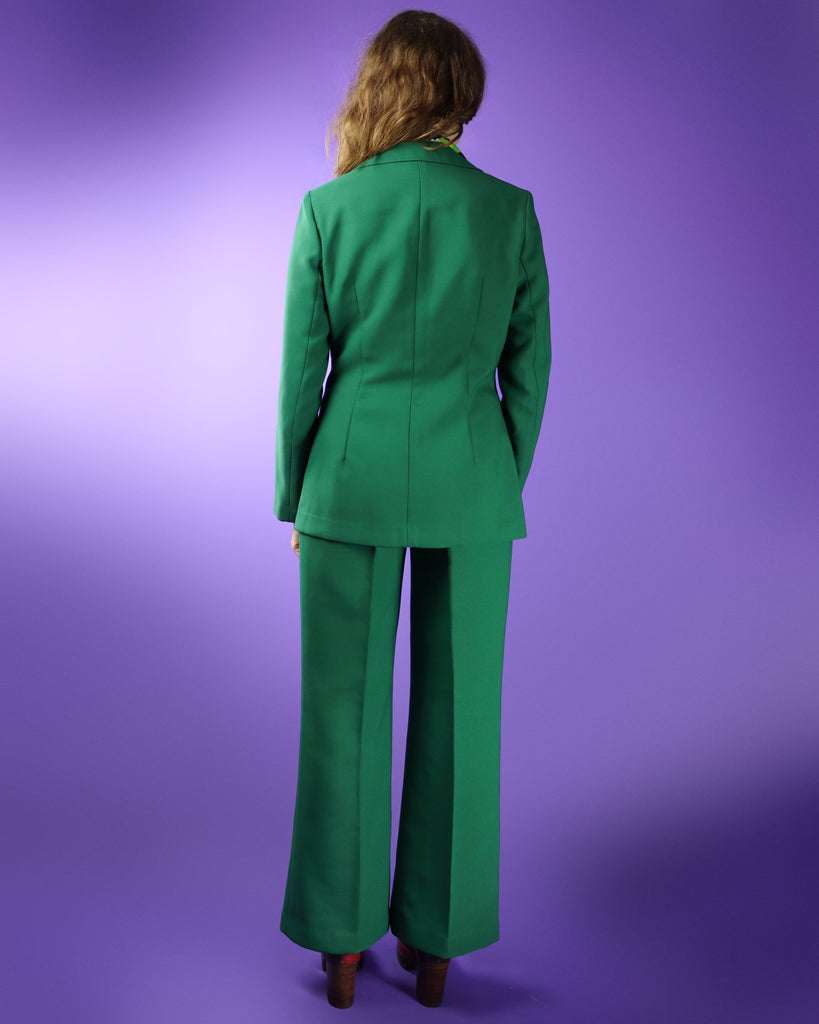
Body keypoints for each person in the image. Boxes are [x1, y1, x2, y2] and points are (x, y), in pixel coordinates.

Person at [274, 9, 552, 1010]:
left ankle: (342, 945)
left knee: (340, 715)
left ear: (382, 85)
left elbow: (301, 374)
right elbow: (530, 370)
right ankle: (436, 947)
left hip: (347, 483)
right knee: (463, 717)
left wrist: (294, 497)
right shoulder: (510, 211)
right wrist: (495, 475)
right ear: (460, 92)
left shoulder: (328, 209)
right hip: (471, 485)